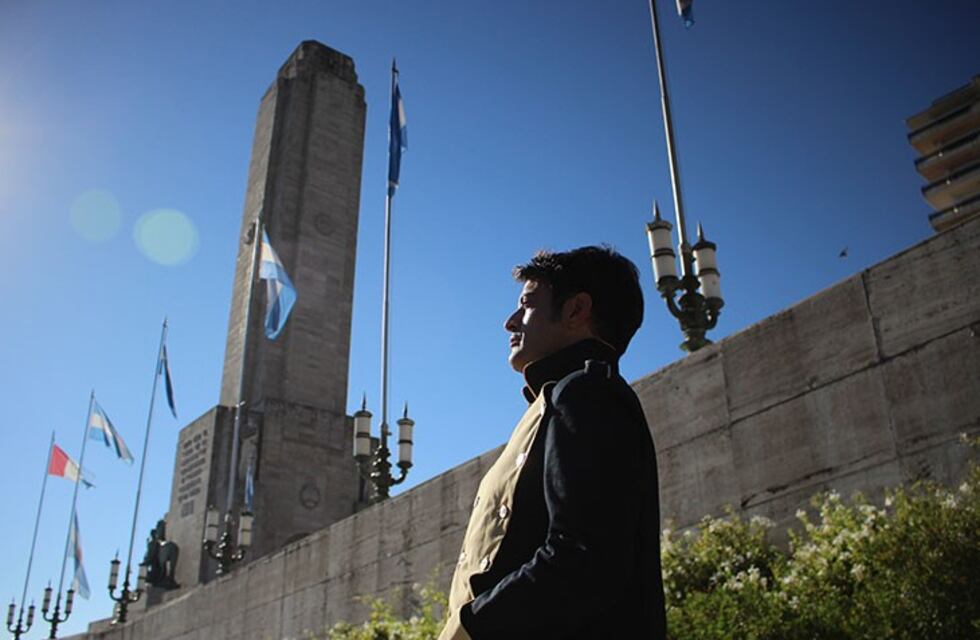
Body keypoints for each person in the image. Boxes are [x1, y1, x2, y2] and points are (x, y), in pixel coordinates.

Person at [439, 246, 667, 640]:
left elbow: (584, 557)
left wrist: (469, 628)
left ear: (577, 310)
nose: (510, 322)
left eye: (526, 305)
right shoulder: (564, 398)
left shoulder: (587, 393)